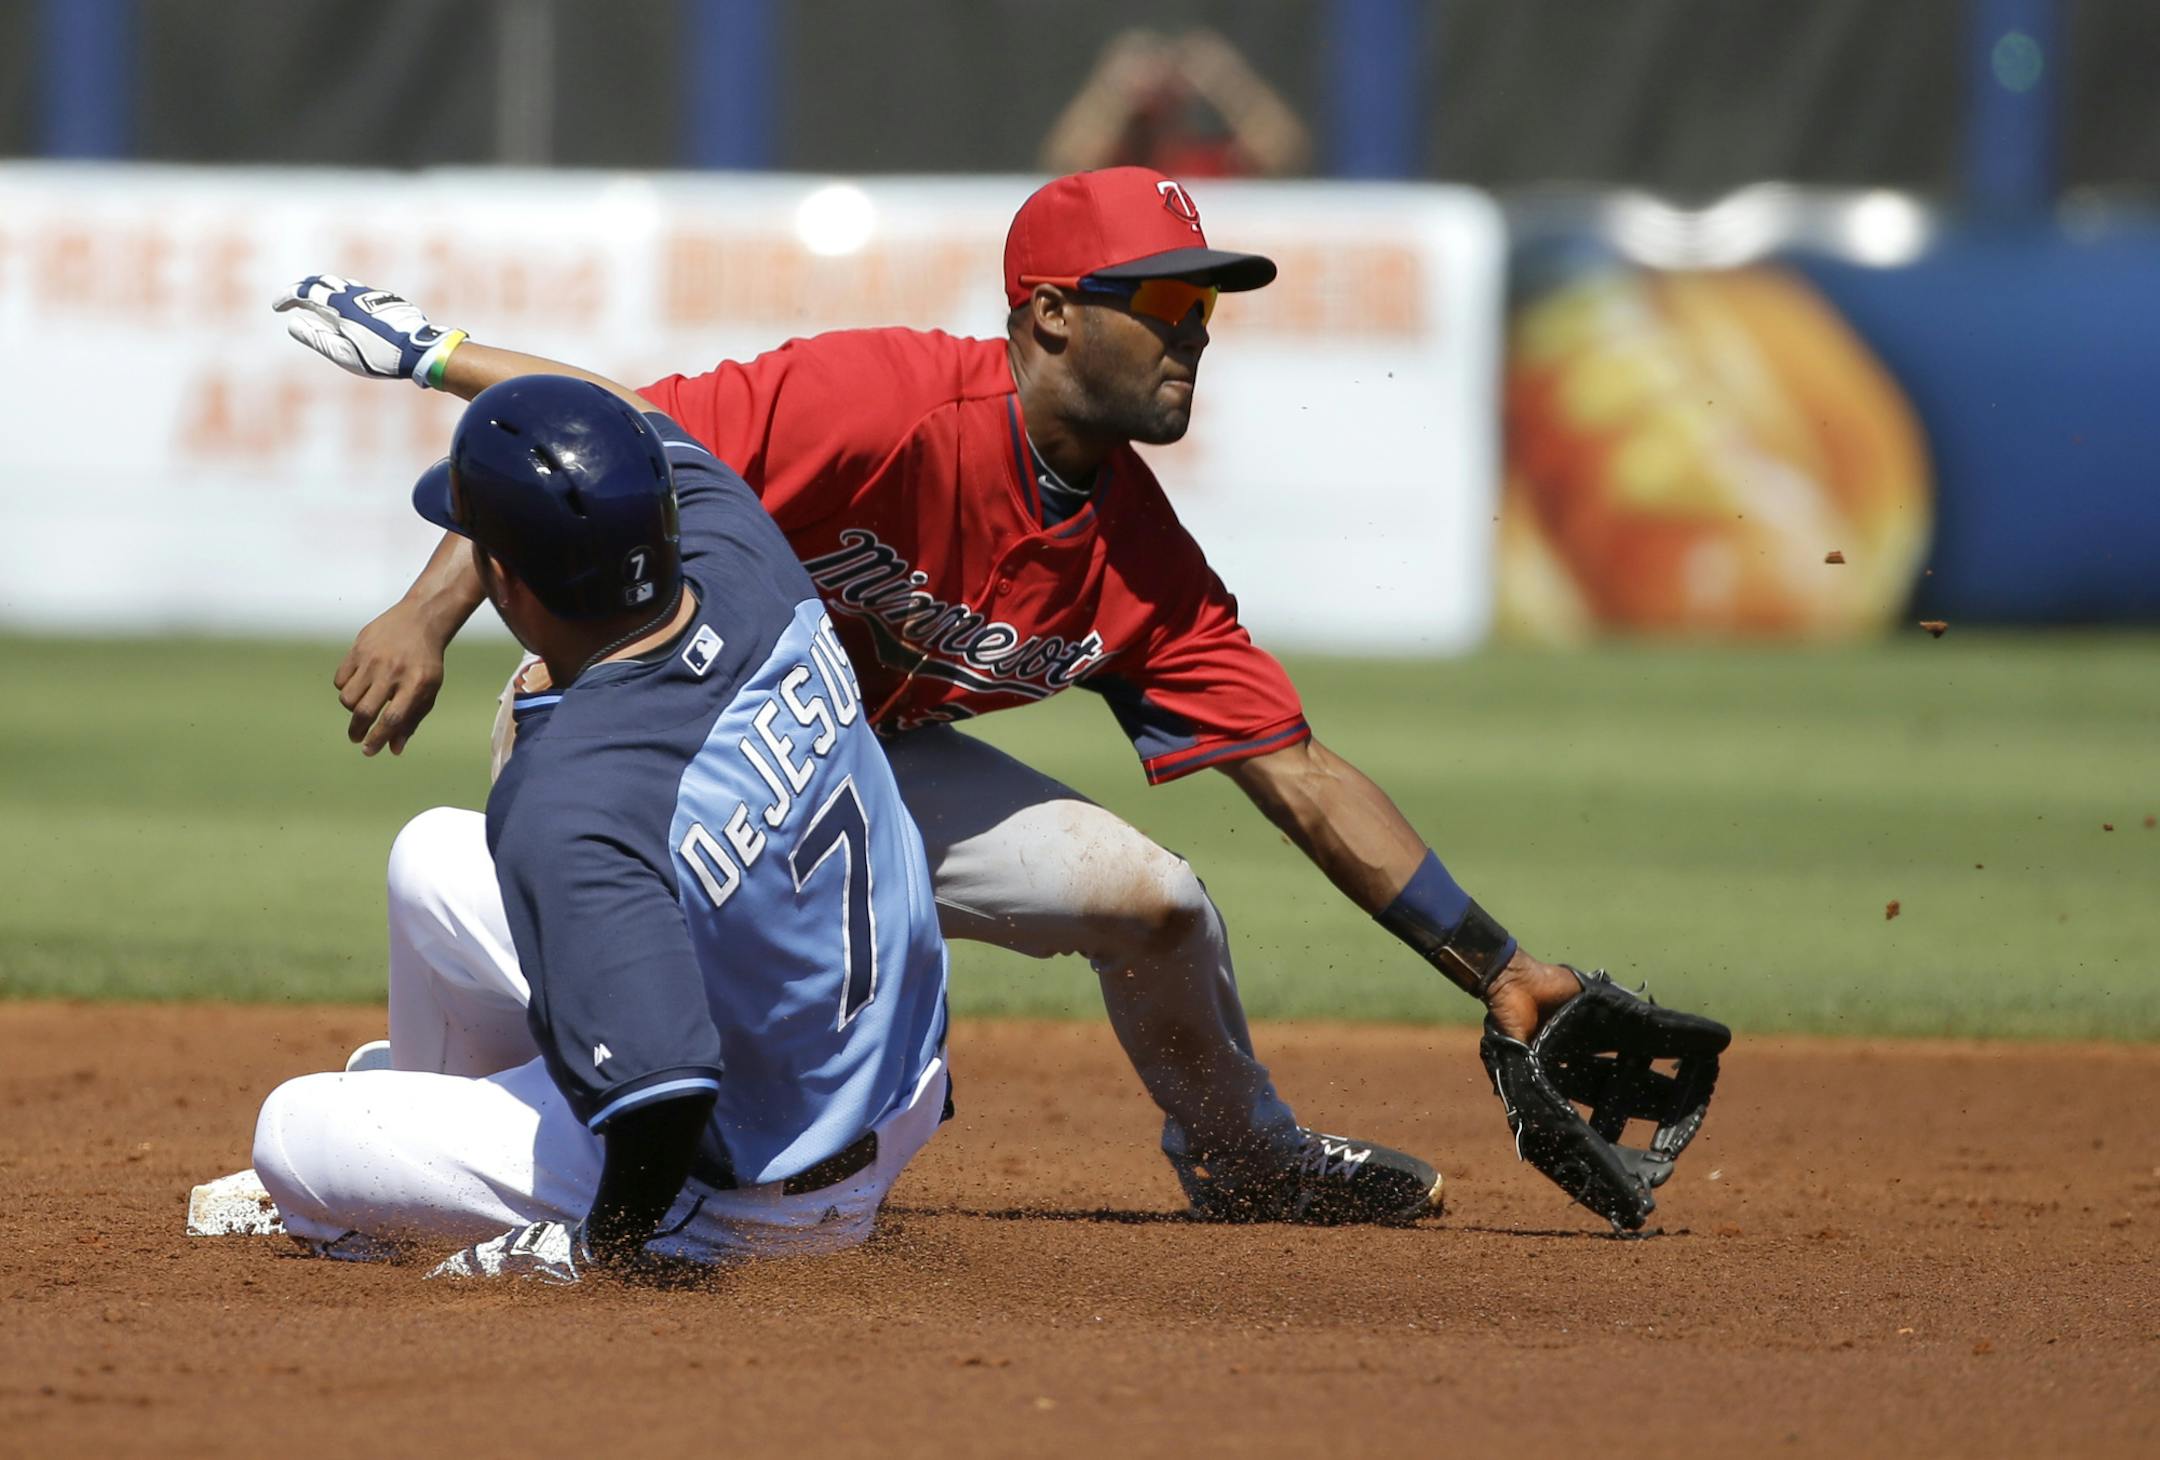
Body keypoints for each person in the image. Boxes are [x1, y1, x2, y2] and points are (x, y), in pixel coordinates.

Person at [287, 167, 1586, 1226]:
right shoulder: (887, 402)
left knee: (1160, 905)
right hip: (669, 725)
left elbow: (1297, 774)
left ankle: (1248, 1157)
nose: (1194, 326)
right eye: (1164, 298)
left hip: (856, 759)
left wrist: (1501, 966)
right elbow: (598, 453)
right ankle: (518, 1133)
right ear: (1053, 312)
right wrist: (430, 608)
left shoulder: (1146, 565)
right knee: (638, 958)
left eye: (1206, 302)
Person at [248, 359, 952, 1280]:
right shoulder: (742, 549)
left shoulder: (570, 791)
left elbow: (669, 1095)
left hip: (753, 1181)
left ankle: (592, 1224)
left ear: (503, 580)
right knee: (430, 859)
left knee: (294, 1133)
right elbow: (627, 409)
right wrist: (439, 350)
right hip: (891, 1077)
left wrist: (606, 1248)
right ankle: (479, 1125)